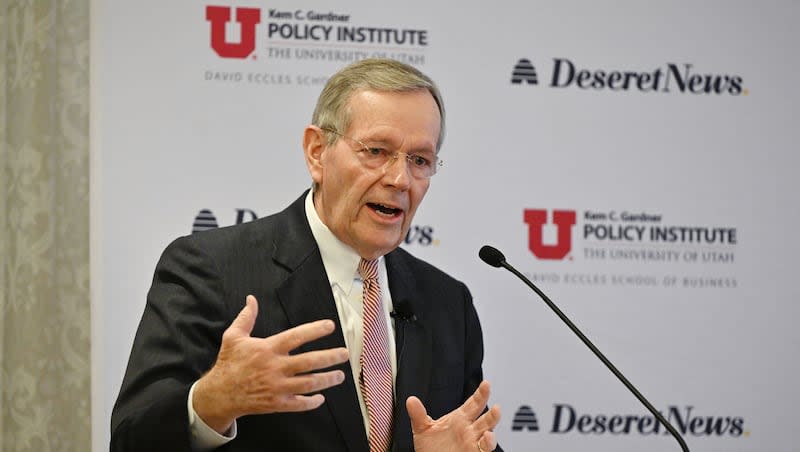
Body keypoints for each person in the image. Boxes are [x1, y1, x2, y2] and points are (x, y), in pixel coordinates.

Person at [111, 58, 502, 452]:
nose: (400, 179)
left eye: (419, 160)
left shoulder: (448, 303)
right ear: (317, 152)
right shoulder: (212, 270)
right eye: (377, 151)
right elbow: (131, 441)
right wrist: (213, 401)